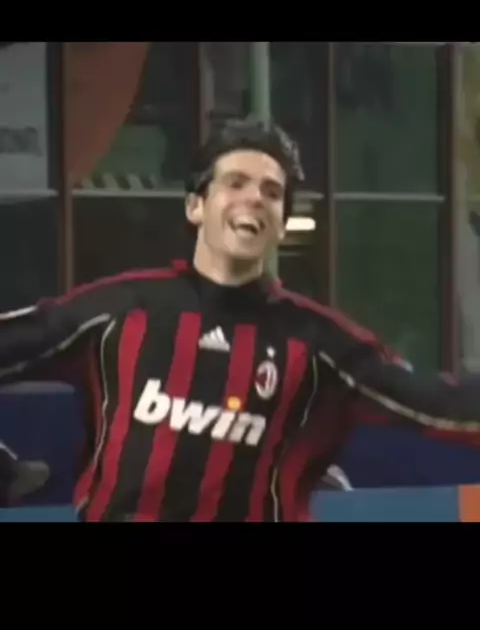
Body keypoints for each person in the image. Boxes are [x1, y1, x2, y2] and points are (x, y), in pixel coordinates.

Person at [1, 114, 480, 522]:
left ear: (281, 223)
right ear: (196, 205)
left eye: (272, 192)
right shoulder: (116, 311)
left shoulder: (319, 343)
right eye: (235, 183)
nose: (254, 198)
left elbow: (435, 404)